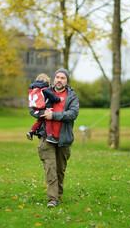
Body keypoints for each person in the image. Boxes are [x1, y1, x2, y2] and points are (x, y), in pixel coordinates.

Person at [29, 68, 79, 208]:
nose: (59, 80)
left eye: (63, 78)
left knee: (60, 170)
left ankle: (58, 194)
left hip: (64, 139)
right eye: (57, 77)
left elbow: (73, 114)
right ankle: (53, 200)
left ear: (66, 80)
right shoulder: (44, 91)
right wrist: (43, 112)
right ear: (54, 79)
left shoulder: (72, 96)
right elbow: (32, 108)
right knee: (50, 169)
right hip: (46, 138)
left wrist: (54, 115)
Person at [27, 73, 64, 144]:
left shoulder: (34, 88)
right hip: (46, 108)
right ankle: (50, 136)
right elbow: (52, 96)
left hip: (38, 108)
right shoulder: (45, 88)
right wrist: (59, 99)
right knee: (48, 120)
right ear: (47, 82)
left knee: (40, 120)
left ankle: (31, 131)